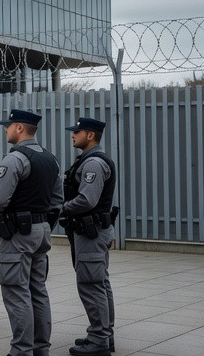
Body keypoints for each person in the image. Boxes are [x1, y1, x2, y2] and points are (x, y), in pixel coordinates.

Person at [0, 109, 63, 356]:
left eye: (8, 126)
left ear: (19, 128)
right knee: (37, 289)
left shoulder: (15, 159)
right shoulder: (51, 159)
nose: (5, 129)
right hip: (41, 231)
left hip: (19, 234)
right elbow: (57, 199)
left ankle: (21, 349)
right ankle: (41, 348)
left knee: (16, 290)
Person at [61, 117, 117, 356]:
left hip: (91, 232)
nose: (73, 135)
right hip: (92, 231)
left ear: (90, 135)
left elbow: (87, 200)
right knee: (99, 283)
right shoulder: (89, 160)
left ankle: (99, 340)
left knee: (91, 284)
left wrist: (62, 208)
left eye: (78, 131)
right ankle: (103, 334)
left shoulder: (93, 163)